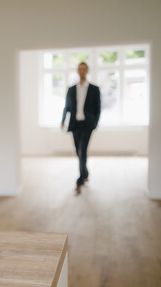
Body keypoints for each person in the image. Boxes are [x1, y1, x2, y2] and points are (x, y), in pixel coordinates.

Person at [61, 62, 101, 194]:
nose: (82, 71)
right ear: (77, 71)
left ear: (87, 71)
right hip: (75, 124)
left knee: (82, 150)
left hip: (87, 125)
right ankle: (85, 173)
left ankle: (79, 180)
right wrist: (63, 120)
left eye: (84, 69)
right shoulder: (72, 89)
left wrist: (95, 123)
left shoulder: (94, 89)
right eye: (80, 69)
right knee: (78, 152)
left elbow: (98, 109)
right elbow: (67, 106)